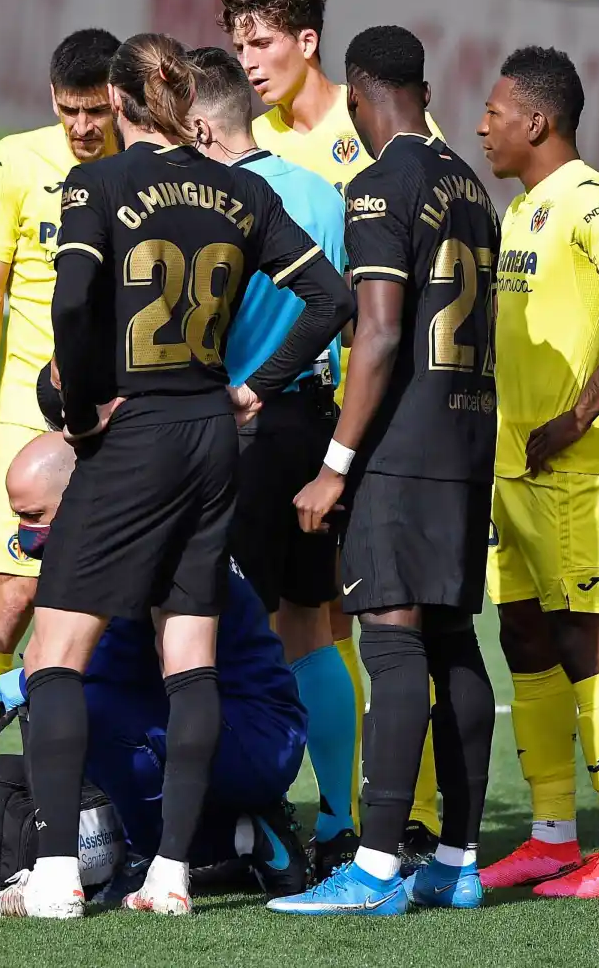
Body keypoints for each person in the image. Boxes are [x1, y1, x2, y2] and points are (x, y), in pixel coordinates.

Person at [0, 32, 351, 921]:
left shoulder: (97, 184)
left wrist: (77, 411)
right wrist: (255, 386)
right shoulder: (242, 188)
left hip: (135, 429)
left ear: (119, 99)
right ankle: (173, 873)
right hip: (213, 436)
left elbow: (70, 301)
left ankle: (59, 873)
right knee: (192, 656)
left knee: (52, 653)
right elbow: (333, 298)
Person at [220, 0, 447, 859]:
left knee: (379, 613)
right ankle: (347, 812)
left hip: (362, 415)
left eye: (262, 43)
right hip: (316, 408)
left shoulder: (377, 147)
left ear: (308, 43)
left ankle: (401, 812)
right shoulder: (258, 142)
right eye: (239, 46)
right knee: (316, 617)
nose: (249, 60)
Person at [278, 26, 499, 916]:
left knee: (396, 638)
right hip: (468, 439)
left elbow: (376, 330)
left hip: (401, 451)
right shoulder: (470, 186)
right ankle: (458, 859)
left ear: (363, 96)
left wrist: (335, 464)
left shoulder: (380, 185)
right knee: (453, 639)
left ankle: (373, 868)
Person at [0, 432, 308, 912]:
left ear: (81, 498)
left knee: (77, 706)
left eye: (35, 516)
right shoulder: (130, 537)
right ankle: (229, 834)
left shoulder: (136, 559)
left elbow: (81, 666)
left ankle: (204, 845)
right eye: (18, 515)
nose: (25, 533)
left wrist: (28, 681)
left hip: (256, 738)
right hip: (226, 726)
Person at [476, 47, 599, 898]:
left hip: (570, 463)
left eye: (495, 111)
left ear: (537, 122)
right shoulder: (521, 212)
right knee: (523, 636)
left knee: (587, 643)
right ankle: (553, 836)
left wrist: (578, 414)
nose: (484, 125)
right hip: (511, 464)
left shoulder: (590, 195)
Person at [187, 45, 357, 878]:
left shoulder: (224, 201)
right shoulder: (322, 193)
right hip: (314, 429)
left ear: (199, 123)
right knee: (310, 624)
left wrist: (248, 385)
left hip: (242, 431)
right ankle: (339, 817)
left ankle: (251, 824)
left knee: (220, 631)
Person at [0, 28, 120, 767]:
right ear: (52, 98)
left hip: (120, 414)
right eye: (67, 110)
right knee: (12, 597)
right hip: (26, 407)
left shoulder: (145, 164)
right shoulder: (16, 158)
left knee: (109, 615)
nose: (81, 128)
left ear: (119, 101)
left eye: (94, 112)